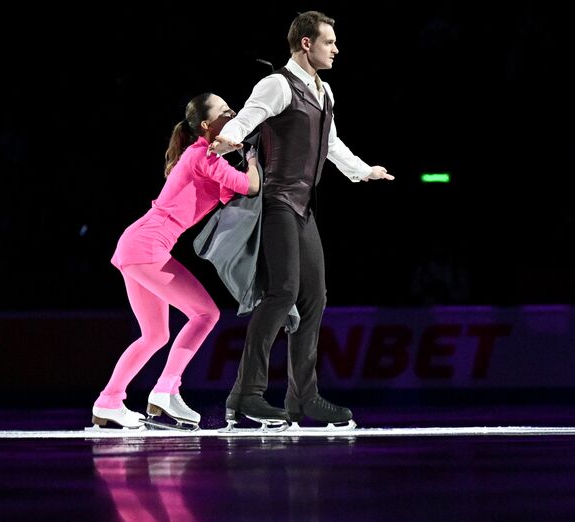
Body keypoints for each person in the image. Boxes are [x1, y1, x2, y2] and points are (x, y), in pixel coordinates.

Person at [209, 10, 393, 430]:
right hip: (277, 202)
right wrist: (227, 142)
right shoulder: (278, 84)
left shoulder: (324, 91)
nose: (336, 48)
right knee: (283, 292)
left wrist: (363, 170)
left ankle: (302, 399)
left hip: (304, 207)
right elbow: (247, 118)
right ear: (306, 43)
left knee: (315, 297)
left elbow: (329, 143)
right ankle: (246, 394)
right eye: (329, 41)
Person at [92, 94, 260, 430]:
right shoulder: (201, 155)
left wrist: (236, 150)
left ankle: (108, 401)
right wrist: (253, 156)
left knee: (154, 335)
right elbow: (251, 186)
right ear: (206, 126)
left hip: (138, 246)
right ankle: (167, 389)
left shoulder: (205, 157)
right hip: (147, 246)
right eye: (225, 111)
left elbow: (231, 188)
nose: (233, 112)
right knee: (206, 313)